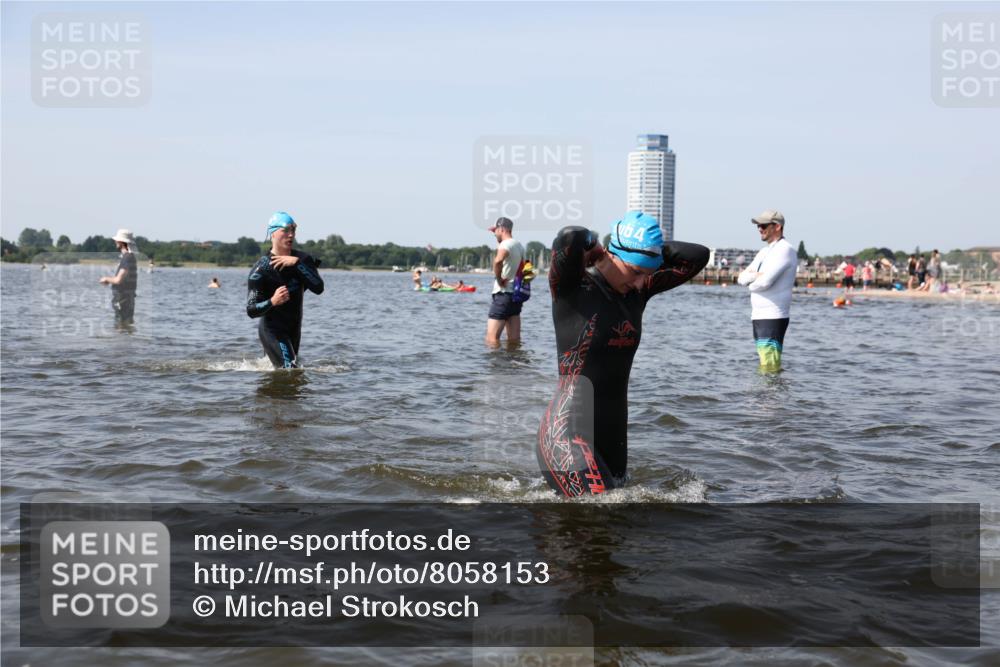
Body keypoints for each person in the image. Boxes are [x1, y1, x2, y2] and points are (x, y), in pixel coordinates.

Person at [537, 211, 709, 497]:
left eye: (648, 274)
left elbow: (698, 256)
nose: (642, 282)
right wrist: (598, 248)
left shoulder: (637, 293)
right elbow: (570, 236)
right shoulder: (572, 288)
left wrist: (649, 253)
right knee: (600, 513)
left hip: (613, 433)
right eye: (636, 272)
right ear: (611, 255)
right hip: (566, 434)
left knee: (616, 525)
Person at [246, 212, 324, 368]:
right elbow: (251, 310)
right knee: (290, 370)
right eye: (286, 230)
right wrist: (272, 301)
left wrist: (297, 264)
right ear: (273, 233)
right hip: (272, 330)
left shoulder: (302, 260)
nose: (291, 235)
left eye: (293, 230)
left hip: (294, 328)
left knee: (283, 370)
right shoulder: (261, 270)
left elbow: (318, 288)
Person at [737, 210, 798, 372]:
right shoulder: (764, 251)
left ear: (777, 226)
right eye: (758, 226)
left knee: (770, 365)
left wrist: (752, 280)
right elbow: (740, 278)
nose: (759, 229)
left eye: (763, 225)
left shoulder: (785, 249)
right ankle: (765, 396)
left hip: (773, 315)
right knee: (765, 362)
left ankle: (771, 396)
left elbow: (764, 283)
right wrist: (755, 276)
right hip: (758, 315)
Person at [485, 217, 525, 347]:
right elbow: (527, 270)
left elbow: (497, 261)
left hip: (503, 295)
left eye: (495, 231)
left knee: (492, 339)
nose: (494, 234)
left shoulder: (505, 245)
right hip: (516, 297)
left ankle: (496, 367)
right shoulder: (519, 246)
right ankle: (513, 365)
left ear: (501, 229)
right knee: (514, 340)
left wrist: (499, 279)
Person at [98, 229, 139, 324]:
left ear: (121, 242)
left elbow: (118, 280)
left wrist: (106, 279)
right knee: (126, 325)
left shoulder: (127, 258)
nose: (115, 242)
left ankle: (121, 338)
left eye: (117, 240)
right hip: (127, 298)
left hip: (123, 299)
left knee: (120, 325)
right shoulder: (129, 257)